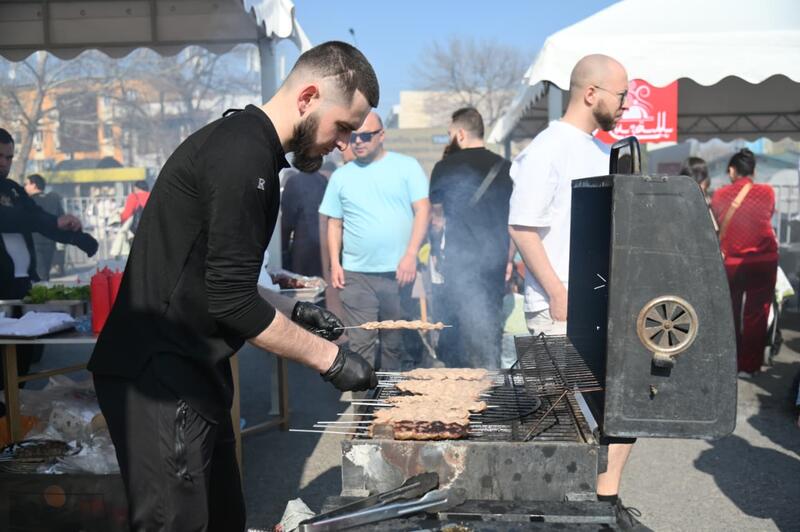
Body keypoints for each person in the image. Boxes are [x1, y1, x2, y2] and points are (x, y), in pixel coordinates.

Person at [88, 42, 380, 532]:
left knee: (224, 518)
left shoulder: (250, 148)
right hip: (160, 377)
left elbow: (218, 279)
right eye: (343, 127)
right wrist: (331, 360)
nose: (345, 143)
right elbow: (233, 303)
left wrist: (293, 309)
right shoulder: (242, 154)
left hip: (193, 372)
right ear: (308, 97)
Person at [508, 55, 647, 530]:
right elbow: (522, 227)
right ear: (591, 93)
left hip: (600, 306)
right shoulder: (547, 148)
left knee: (620, 411)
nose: (625, 104)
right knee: (560, 427)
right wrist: (556, 292)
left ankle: (605, 506)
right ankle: (554, 517)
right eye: (621, 94)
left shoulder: (596, 149)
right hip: (558, 309)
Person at [319, 111, 431, 371]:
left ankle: (391, 396)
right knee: (361, 344)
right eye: (353, 137)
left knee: (395, 343)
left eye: (366, 136)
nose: (358, 142)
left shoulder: (407, 166)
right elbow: (334, 223)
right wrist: (335, 263)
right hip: (356, 275)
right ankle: (363, 396)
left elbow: (423, 210)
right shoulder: (341, 176)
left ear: (382, 135)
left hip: (398, 274)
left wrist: (411, 255)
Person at [0, 128, 98, 386]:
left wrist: (77, 237)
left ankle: (17, 406)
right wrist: (53, 221)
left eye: (9, 157)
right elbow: (9, 218)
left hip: (22, 288)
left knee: (20, 365)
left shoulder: (13, 189)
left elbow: (38, 217)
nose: (4, 163)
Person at [429, 107, 513, 368]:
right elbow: (513, 221)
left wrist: (435, 252)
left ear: (461, 134)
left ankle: (463, 385)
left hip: (459, 264)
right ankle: (491, 380)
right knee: (490, 328)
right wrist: (509, 260)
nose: (449, 138)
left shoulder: (443, 168)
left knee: (458, 334)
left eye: (450, 134)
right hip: (495, 263)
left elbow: (437, 219)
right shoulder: (506, 168)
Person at [710, 148, 778, 377]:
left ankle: (729, 362)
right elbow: (767, 216)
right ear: (753, 171)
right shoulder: (767, 192)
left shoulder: (719, 195)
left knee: (729, 311)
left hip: (732, 262)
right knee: (757, 312)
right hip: (763, 260)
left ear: (732, 170)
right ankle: (749, 365)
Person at [281, 159, 337, 277]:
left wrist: (283, 250)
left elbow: (287, 223)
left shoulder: (293, 182)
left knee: (303, 285)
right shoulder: (323, 181)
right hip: (324, 249)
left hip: (303, 252)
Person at [23, 173, 65, 281]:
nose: (24, 187)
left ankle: (42, 290)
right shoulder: (53, 199)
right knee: (44, 272)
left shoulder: (28, 201)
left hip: (34, 241)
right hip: (50, 241)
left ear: (34, 185)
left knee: (40, 275)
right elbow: (62, 218)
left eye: (26, 184)